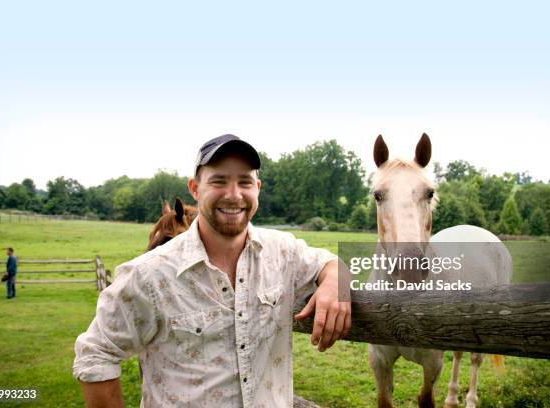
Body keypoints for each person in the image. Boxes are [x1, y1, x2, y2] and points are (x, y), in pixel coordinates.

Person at [73, 134, 352, 407]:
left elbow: (329, 262)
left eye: (245, 182)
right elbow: (96, 353)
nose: (234, 195)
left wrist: (337, 281)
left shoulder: (283, 253)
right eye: (219, 181)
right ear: (195, 188)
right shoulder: (149, 275)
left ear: (258, 188)